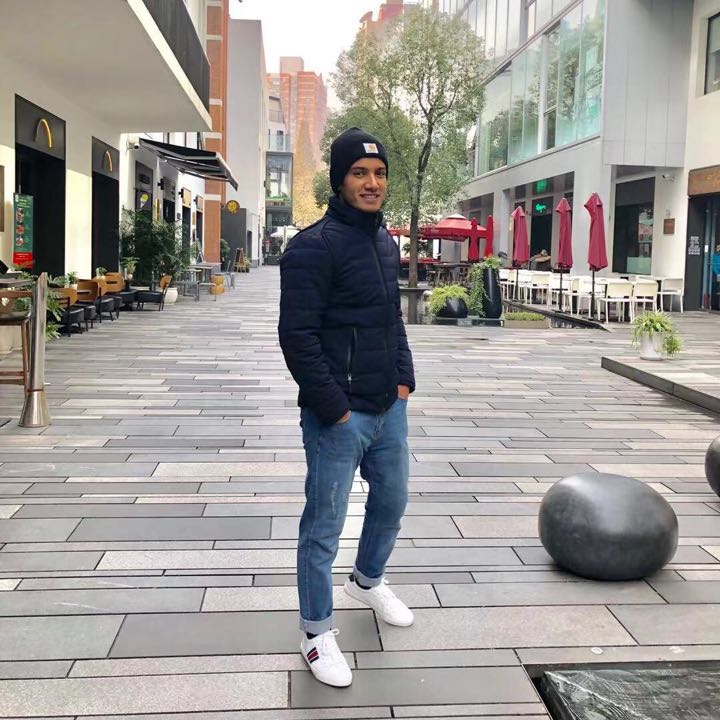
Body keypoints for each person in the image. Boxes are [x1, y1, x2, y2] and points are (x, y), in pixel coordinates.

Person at [278, 128, 416, 688]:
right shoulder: (312, 247)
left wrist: (404, 379)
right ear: (340, 180)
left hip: (387, 407)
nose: (372, 183)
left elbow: (391, 319)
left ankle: (367, 580)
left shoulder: (385, 243)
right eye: (360, 173)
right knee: (324, 525)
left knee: (393, 499)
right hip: (338, 416)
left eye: (379, 174)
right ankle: (315, 632)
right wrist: (333, 407)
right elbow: (297, 337)